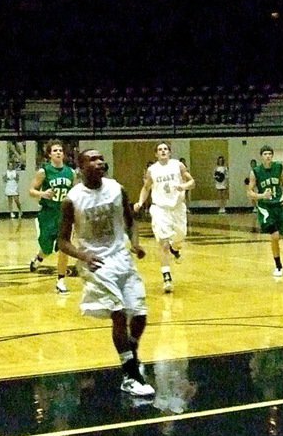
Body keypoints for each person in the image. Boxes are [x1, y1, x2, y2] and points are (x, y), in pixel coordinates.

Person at [57, 149, 154, 398]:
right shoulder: (72, 199)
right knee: (119, 313)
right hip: (96, 263)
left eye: (101, 158)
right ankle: (130, 374)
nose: (100, 162)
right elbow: (63, 242)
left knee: (140, 314)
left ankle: (130, 354)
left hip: (121, 257)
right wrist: (83, 256)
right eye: (93, 159)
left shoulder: (115, 189)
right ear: (80, 166)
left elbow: (130, 221)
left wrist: (135, 243)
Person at [134, 141, 194, 294]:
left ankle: (176, 249)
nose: (163, 151)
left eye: (165, 149)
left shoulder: (178, 165)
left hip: (178, 207)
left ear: (169, 152)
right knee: (163, 243)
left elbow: (192, 182)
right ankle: (166, 277)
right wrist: (140, 202)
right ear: (156, 154)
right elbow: (146, 187)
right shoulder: (152, 170)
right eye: (160, 149)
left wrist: (184, 186)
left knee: (180, 237)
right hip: (160, 208)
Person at [29, 139, 76, 293]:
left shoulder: (71, 172)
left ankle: (61, 280)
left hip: (64, 215)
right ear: (49, 154)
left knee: (64, 247)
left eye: (60, 150)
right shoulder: (44, 172)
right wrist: (43, 193)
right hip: (48, 215)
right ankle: (39, 258)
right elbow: (31, 191)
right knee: (47, 247)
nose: (58, 153)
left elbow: (76, 193)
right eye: (55, 150)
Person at [246, 145, 283, 277]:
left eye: (270, 154)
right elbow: (249, 192)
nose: (268, 156)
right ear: (261, 156)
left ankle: (278, 261)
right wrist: (261, 196)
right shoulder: (256, 171)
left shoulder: (278, 167)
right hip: (266, 207)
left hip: (279, 205)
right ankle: (278, 266)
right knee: (275, 236)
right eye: (265, 154)